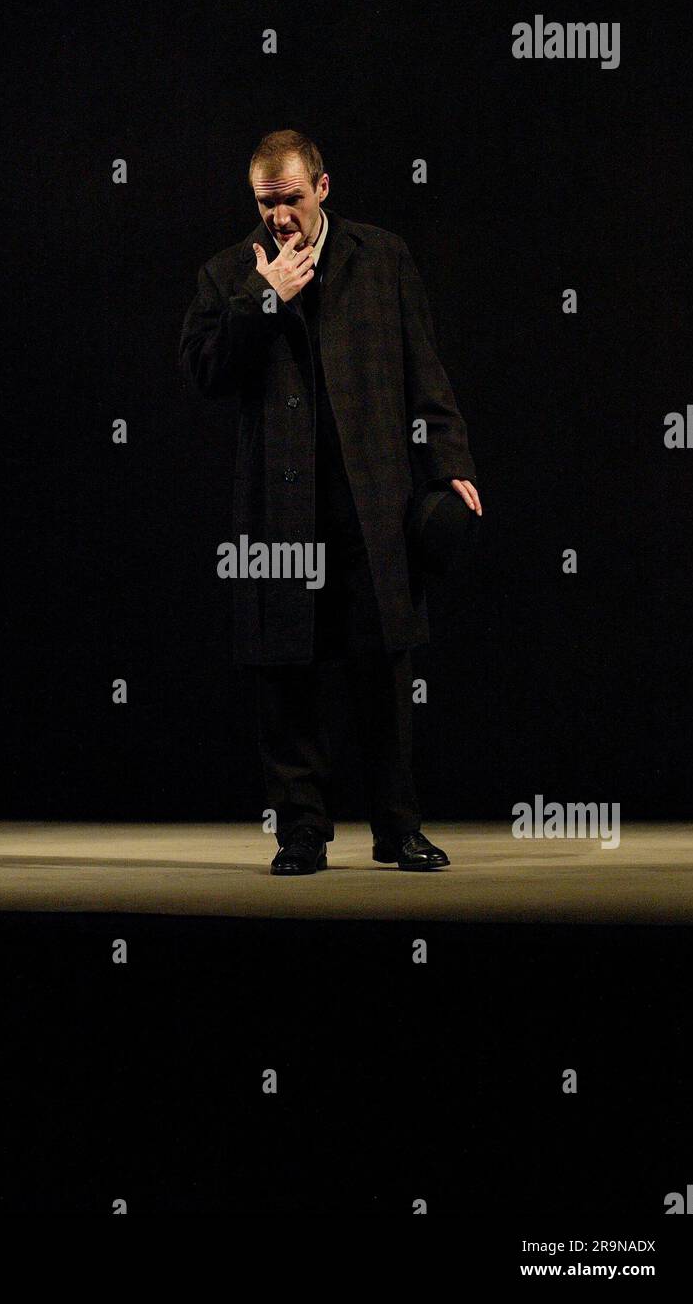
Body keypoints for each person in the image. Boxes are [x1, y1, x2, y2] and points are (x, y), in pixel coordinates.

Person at [179, 130, 482, 876]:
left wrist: (448, 461)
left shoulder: (380, 257)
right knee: (286, 675)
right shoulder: (228, 274)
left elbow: (423, 367)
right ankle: (301, 834)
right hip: (280, 508)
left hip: (371, 496)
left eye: (288, 200)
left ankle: (398, 828)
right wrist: (263, 299)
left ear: (320, 186)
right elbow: (203, 373)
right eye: (264, 203)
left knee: (383, 668)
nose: (278, 217)